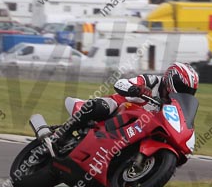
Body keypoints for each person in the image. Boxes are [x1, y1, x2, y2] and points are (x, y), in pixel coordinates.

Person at [52, 62, 199, 147]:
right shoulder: (152, 81)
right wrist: (134, 89)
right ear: (172, 79)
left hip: (138, 128)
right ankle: (62, 134)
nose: (185, 92)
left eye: (189, 91)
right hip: (121, 108)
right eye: (183, 87)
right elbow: (121, 83)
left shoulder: (173, 105)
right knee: (99, 107)